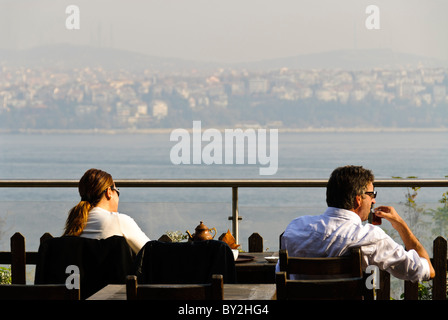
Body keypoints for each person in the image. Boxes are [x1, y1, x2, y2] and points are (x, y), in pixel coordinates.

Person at [278, 165, 435, 283]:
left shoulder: (296, 228)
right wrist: (400, 225)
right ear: (358, 199)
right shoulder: (369, 237)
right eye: (371, 194)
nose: (373, 200)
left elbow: (280, 272)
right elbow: (426, 271)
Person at [63, 168, 150, 254]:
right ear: (109, 192)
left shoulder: (73, 226)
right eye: (117, 191)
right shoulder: (118, 221)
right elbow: (153, 255)